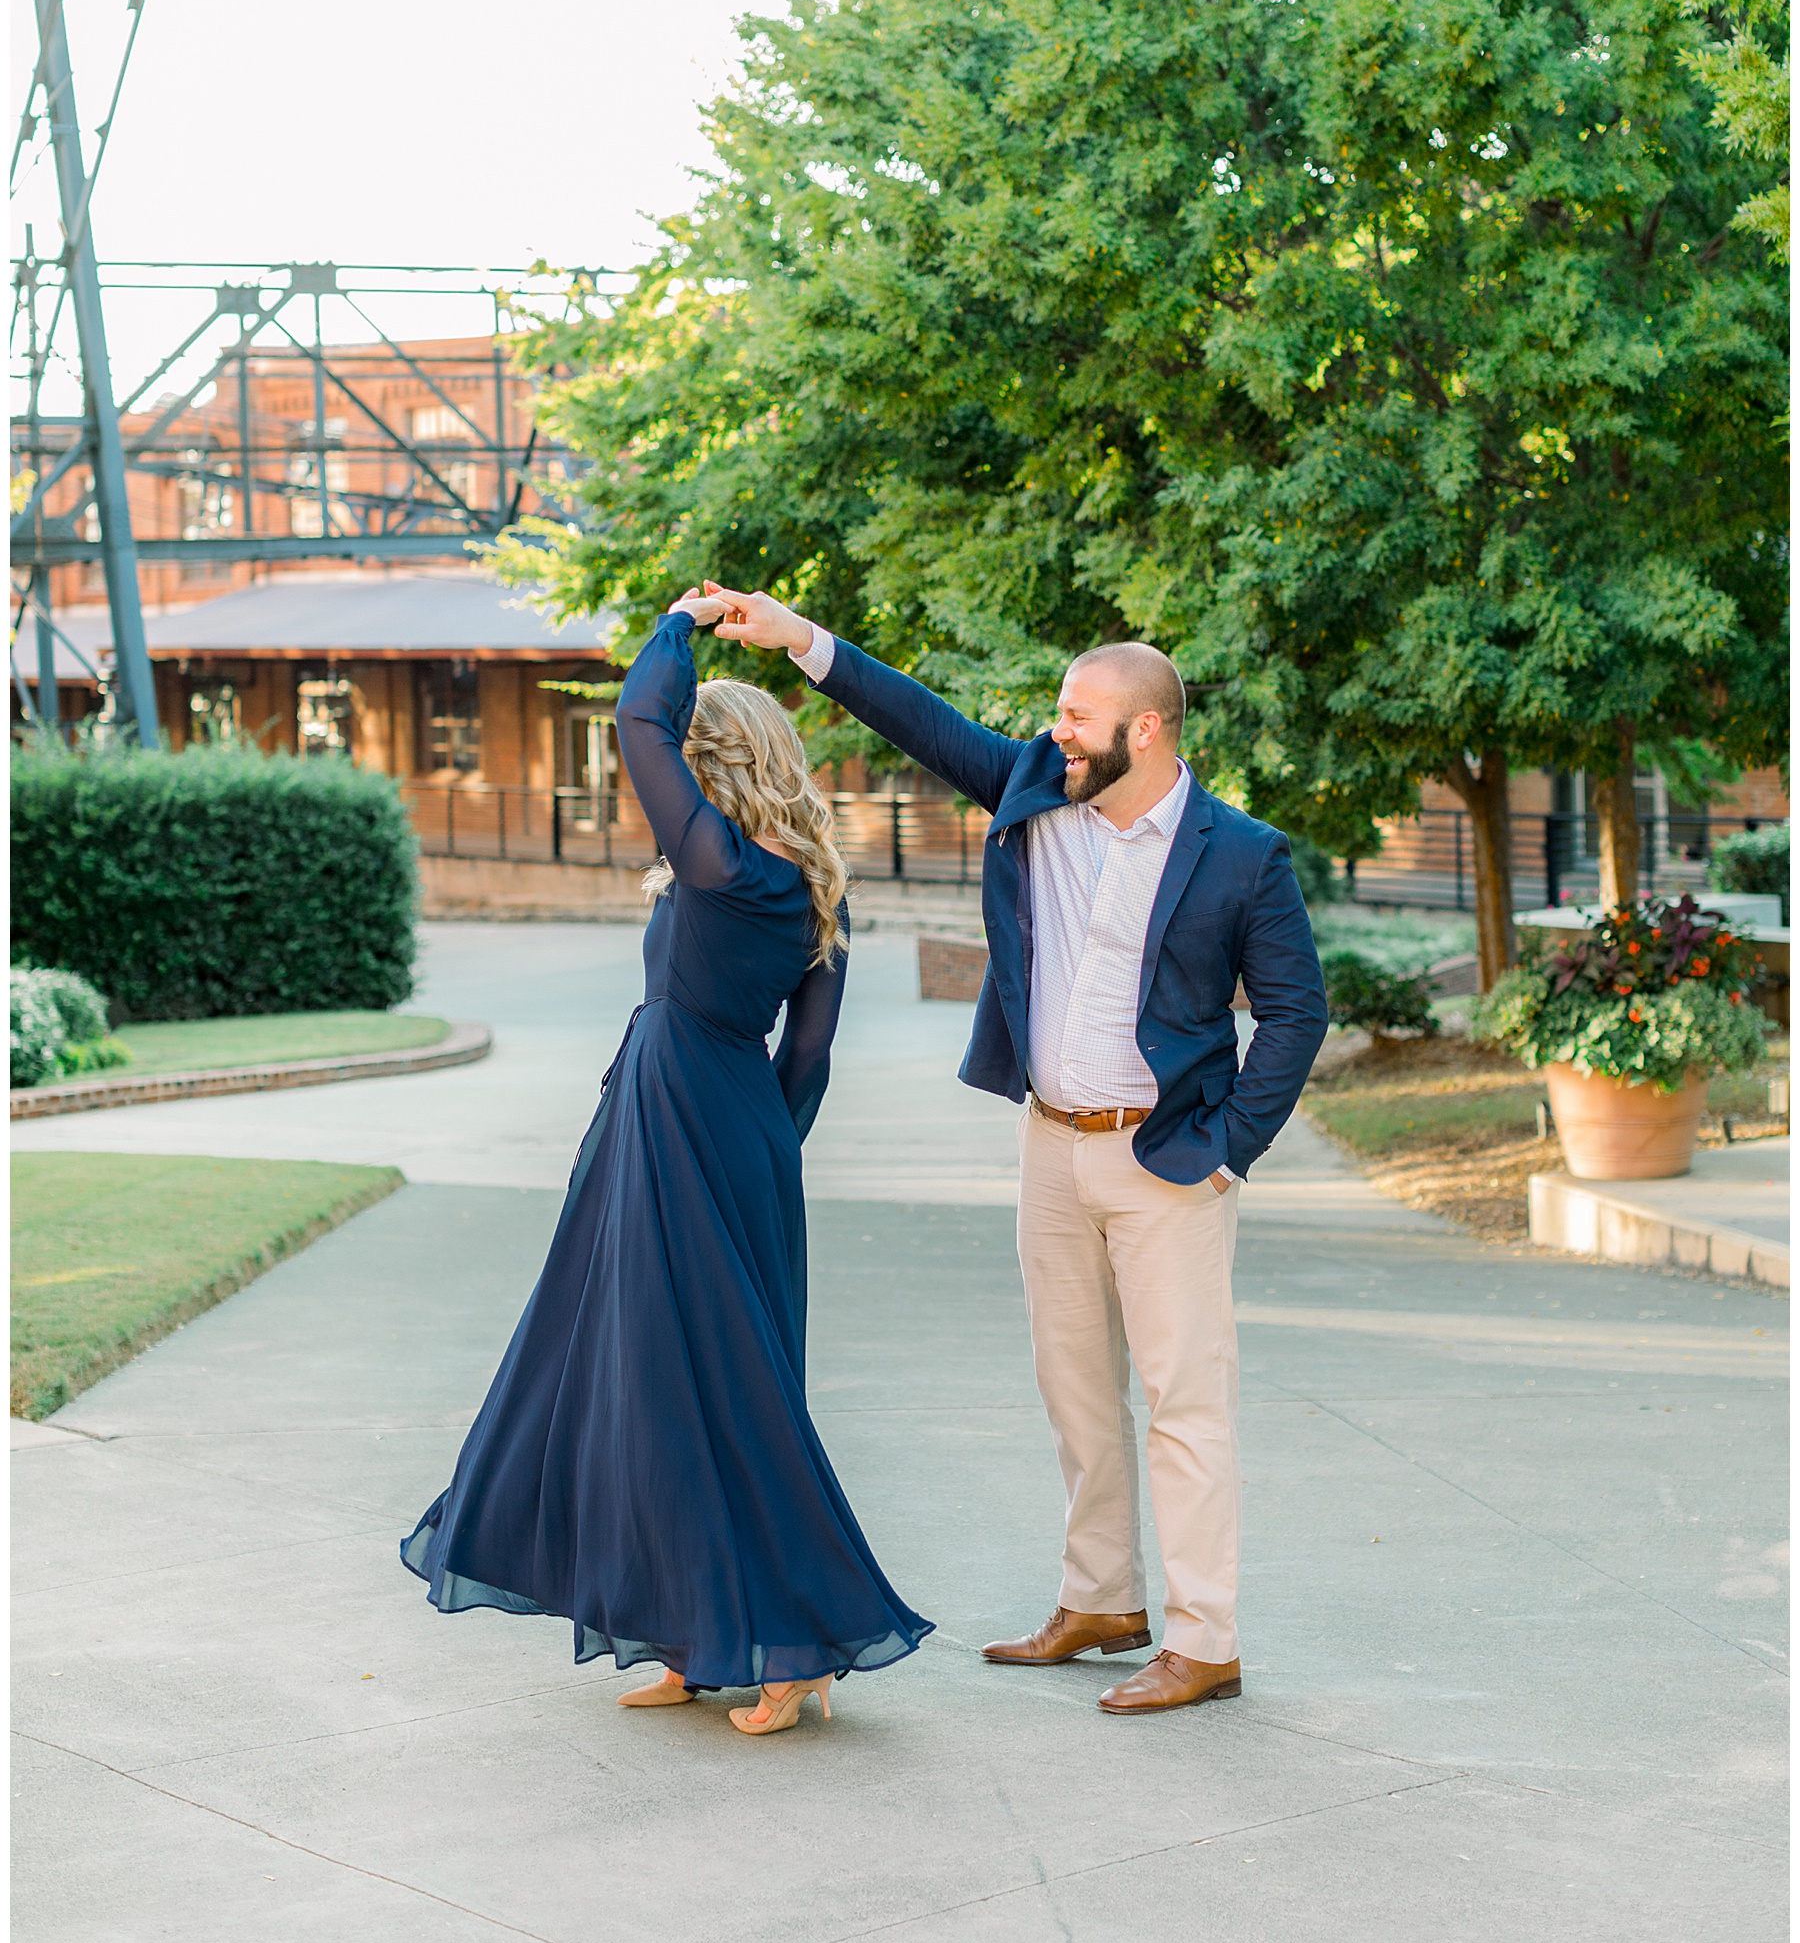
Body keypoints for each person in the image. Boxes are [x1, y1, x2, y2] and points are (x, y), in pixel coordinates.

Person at [705, 584, 1327, 1717]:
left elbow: (1296, 1011)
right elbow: (923, 717)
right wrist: (797, 636)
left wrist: (1231, 1147)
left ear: (1144, 730)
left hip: (1168, 1159)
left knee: (1186, 1399)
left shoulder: (1241, 853)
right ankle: (1101, 1598)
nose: (1055, 729)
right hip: (1052, 1146)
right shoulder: (1038, 788)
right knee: (1075, 1387)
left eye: (1077, 714)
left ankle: (1205, 1637)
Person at [400, 594, 931, 1736]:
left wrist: (682, 626)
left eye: (688, 762)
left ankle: (796, 1646)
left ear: (714, 765)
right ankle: (697, 1635)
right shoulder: (817, 889)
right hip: (728, 1131)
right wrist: (759, 1151)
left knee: (717, 1394)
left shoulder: (723, 865)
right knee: (661, 1386)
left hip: (681, 1122)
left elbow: (640, 718)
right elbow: (813, 1057)